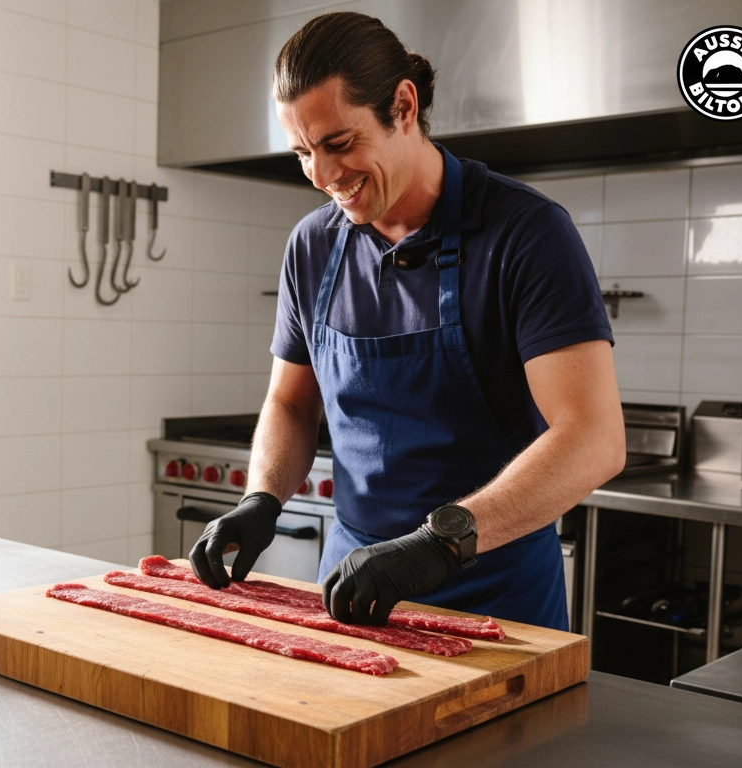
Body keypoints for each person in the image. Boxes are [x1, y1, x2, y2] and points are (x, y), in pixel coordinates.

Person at [188, 11, 625, 631]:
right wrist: (262, 497)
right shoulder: (312, 246)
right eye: (303, 153)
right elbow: (290, 403)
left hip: (494, 594)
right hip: (350, 590)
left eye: (340, 143)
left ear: (403, 105)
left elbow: (594, 439)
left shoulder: (525, 234)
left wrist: (439, 541)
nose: (324, 176)